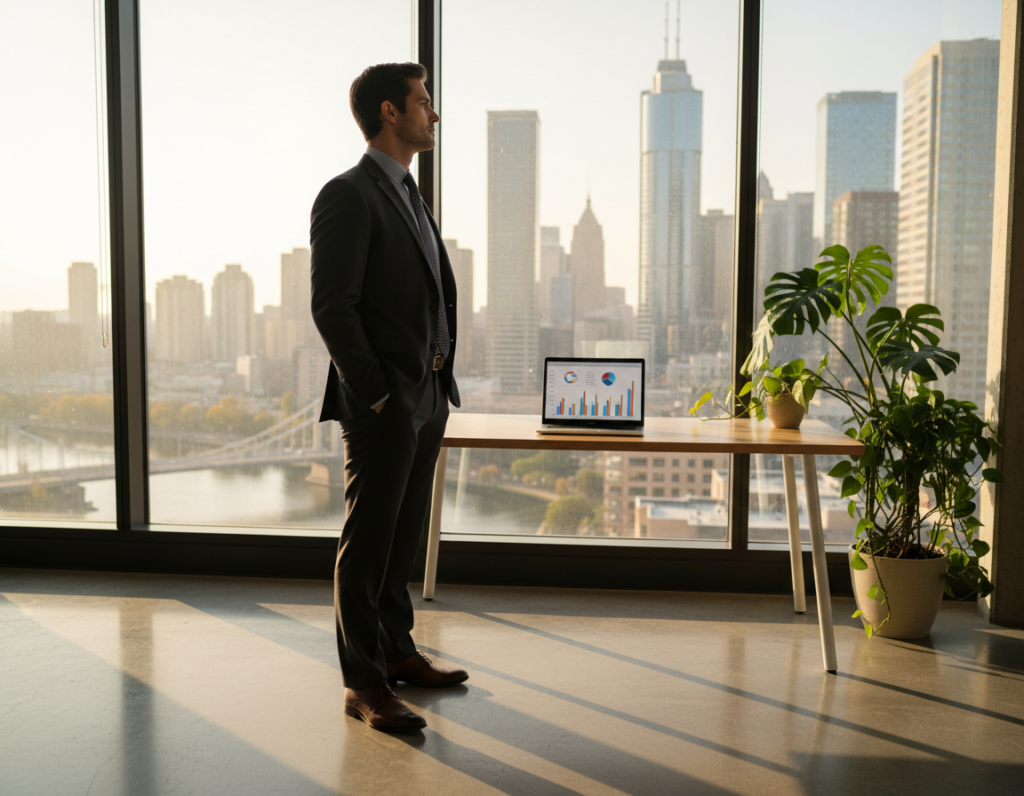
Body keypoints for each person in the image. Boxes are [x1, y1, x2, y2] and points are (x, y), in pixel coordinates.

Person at [310, 62, 468, 733]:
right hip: (386, 402)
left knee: (402, 538)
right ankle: (363, 683)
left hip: (428, 391)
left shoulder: (408, 192)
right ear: (389, 113)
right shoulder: (348, 194)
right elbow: (332, 307)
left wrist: (430, 385)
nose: (433, 113)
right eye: (423, 102)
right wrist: (378, 397)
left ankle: (398, 652)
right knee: (368, 542)